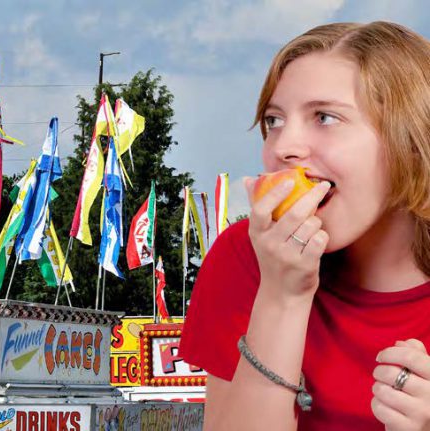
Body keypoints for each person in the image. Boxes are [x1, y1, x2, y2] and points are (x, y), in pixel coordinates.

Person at [179, 21, 430, 431]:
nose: (282, 148)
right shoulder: (246, 255)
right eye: (274, 121)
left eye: (325, 117)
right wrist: (282, 294)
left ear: (411, 141)